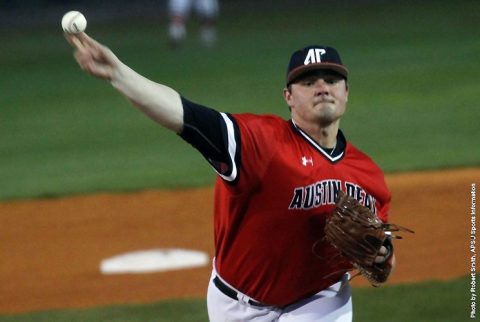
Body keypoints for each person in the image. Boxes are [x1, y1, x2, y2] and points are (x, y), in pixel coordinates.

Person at [65, 33, 395, 321]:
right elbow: (185, 115)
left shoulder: (368, 175)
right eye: (308, 82)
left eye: (331, 80)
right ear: (288, 97)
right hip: (234, 304)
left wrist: (383, 255)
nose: (322, 87)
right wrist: (119, 74)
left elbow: (384, 258)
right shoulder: (260, 141)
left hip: (320, 302)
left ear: (346, 92)